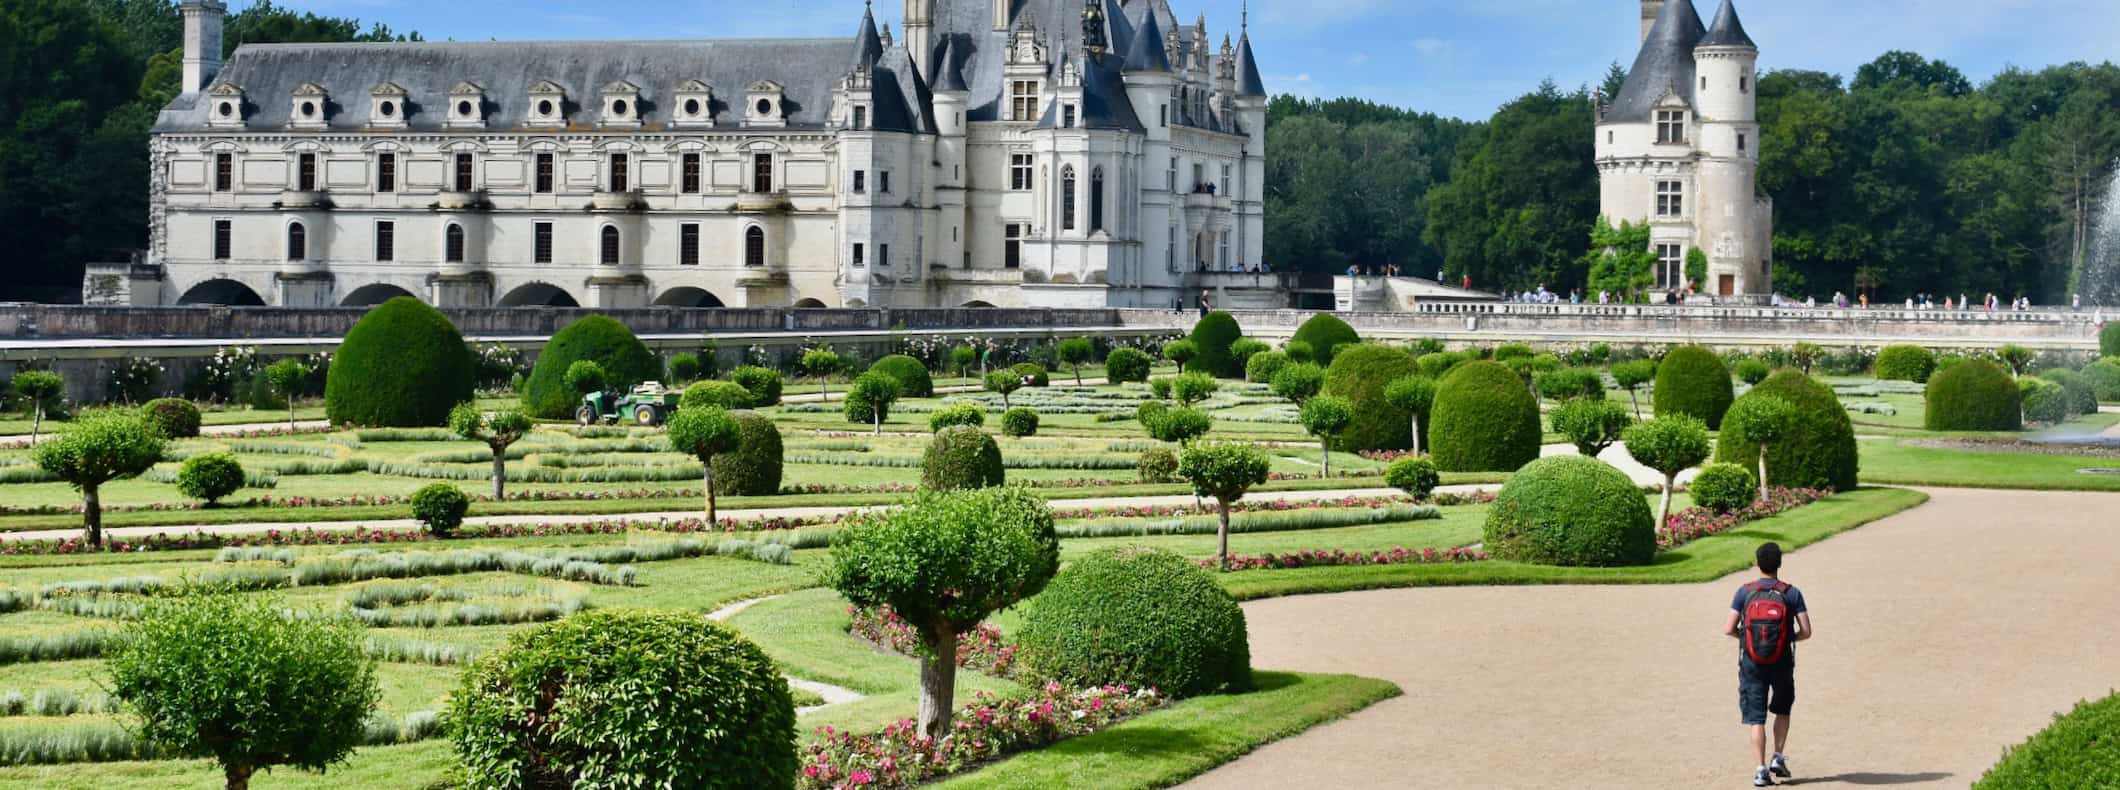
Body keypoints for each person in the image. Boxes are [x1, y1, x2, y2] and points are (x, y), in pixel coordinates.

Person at [1724, 542, 1811, 787]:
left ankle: (1760, 769)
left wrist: (1745, 637)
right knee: (1783, 708)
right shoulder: (1791, 593)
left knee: (1756, 717)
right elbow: (1806, 631)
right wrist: (1786, 638)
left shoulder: (1744, 592)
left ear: (1757, 563)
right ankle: (1778, 756)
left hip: (1752, 661)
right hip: (1782, 659)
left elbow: (1728, 628)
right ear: (1779, 564)